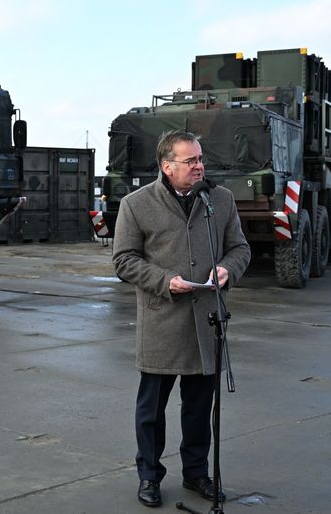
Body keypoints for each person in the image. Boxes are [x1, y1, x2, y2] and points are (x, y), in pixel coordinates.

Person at [112, 130, 251, 508]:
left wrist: (226, 270)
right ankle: (149, 476)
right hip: (162, 322)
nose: (199, 166)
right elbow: (123, 260)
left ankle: (197, 474)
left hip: (207, 322)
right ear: (166, 165)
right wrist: (164, 280)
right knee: (151, 411)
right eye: (190, 161)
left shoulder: (218, 200)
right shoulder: (137, 204)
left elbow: (240, 248)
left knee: (199, 408)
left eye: (200, 159)